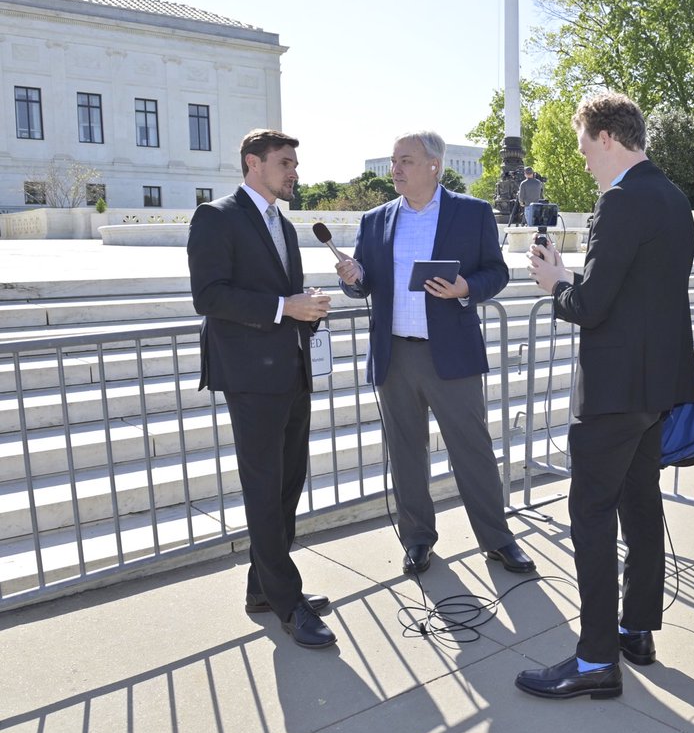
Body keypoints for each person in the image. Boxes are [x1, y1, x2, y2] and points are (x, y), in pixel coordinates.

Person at [516, 92, 694, 700]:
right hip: (657, 386)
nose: (584, 161)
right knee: (641, 506)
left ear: (608, 139)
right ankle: (636, 629)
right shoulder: (672, 196)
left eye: (585, 148)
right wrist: (573, 276)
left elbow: (592, 307)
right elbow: (634, 292)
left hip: (616, 391)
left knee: (591, 515)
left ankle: (596, 661)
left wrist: (553, 286)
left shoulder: (619, 202)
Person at [335, 131, 535, 577]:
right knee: (406, 453)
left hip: (452, 355)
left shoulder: (472, 213)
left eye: (405, 160)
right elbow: (362, 285)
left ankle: (498, 541)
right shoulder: (375, 220)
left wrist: (467, 288)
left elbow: (495, 272)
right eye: (393, 161)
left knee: (473, 452)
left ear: (433, 165)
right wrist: (352, 276)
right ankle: (418, 540)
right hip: (395, 357)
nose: (395, 169)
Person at [188, 129, 337, 649]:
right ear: (253, 163)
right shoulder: (217, 216)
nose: (294, 171)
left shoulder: (284, 223)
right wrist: (283, 308)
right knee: (264, 489)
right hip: (251, 377)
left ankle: (262, 589)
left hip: (291, 370)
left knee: (287, 484)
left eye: (294, 163)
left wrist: (307, 307)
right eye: (285, 162)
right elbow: (208, 296)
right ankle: (287, 601)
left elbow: (284, 297)